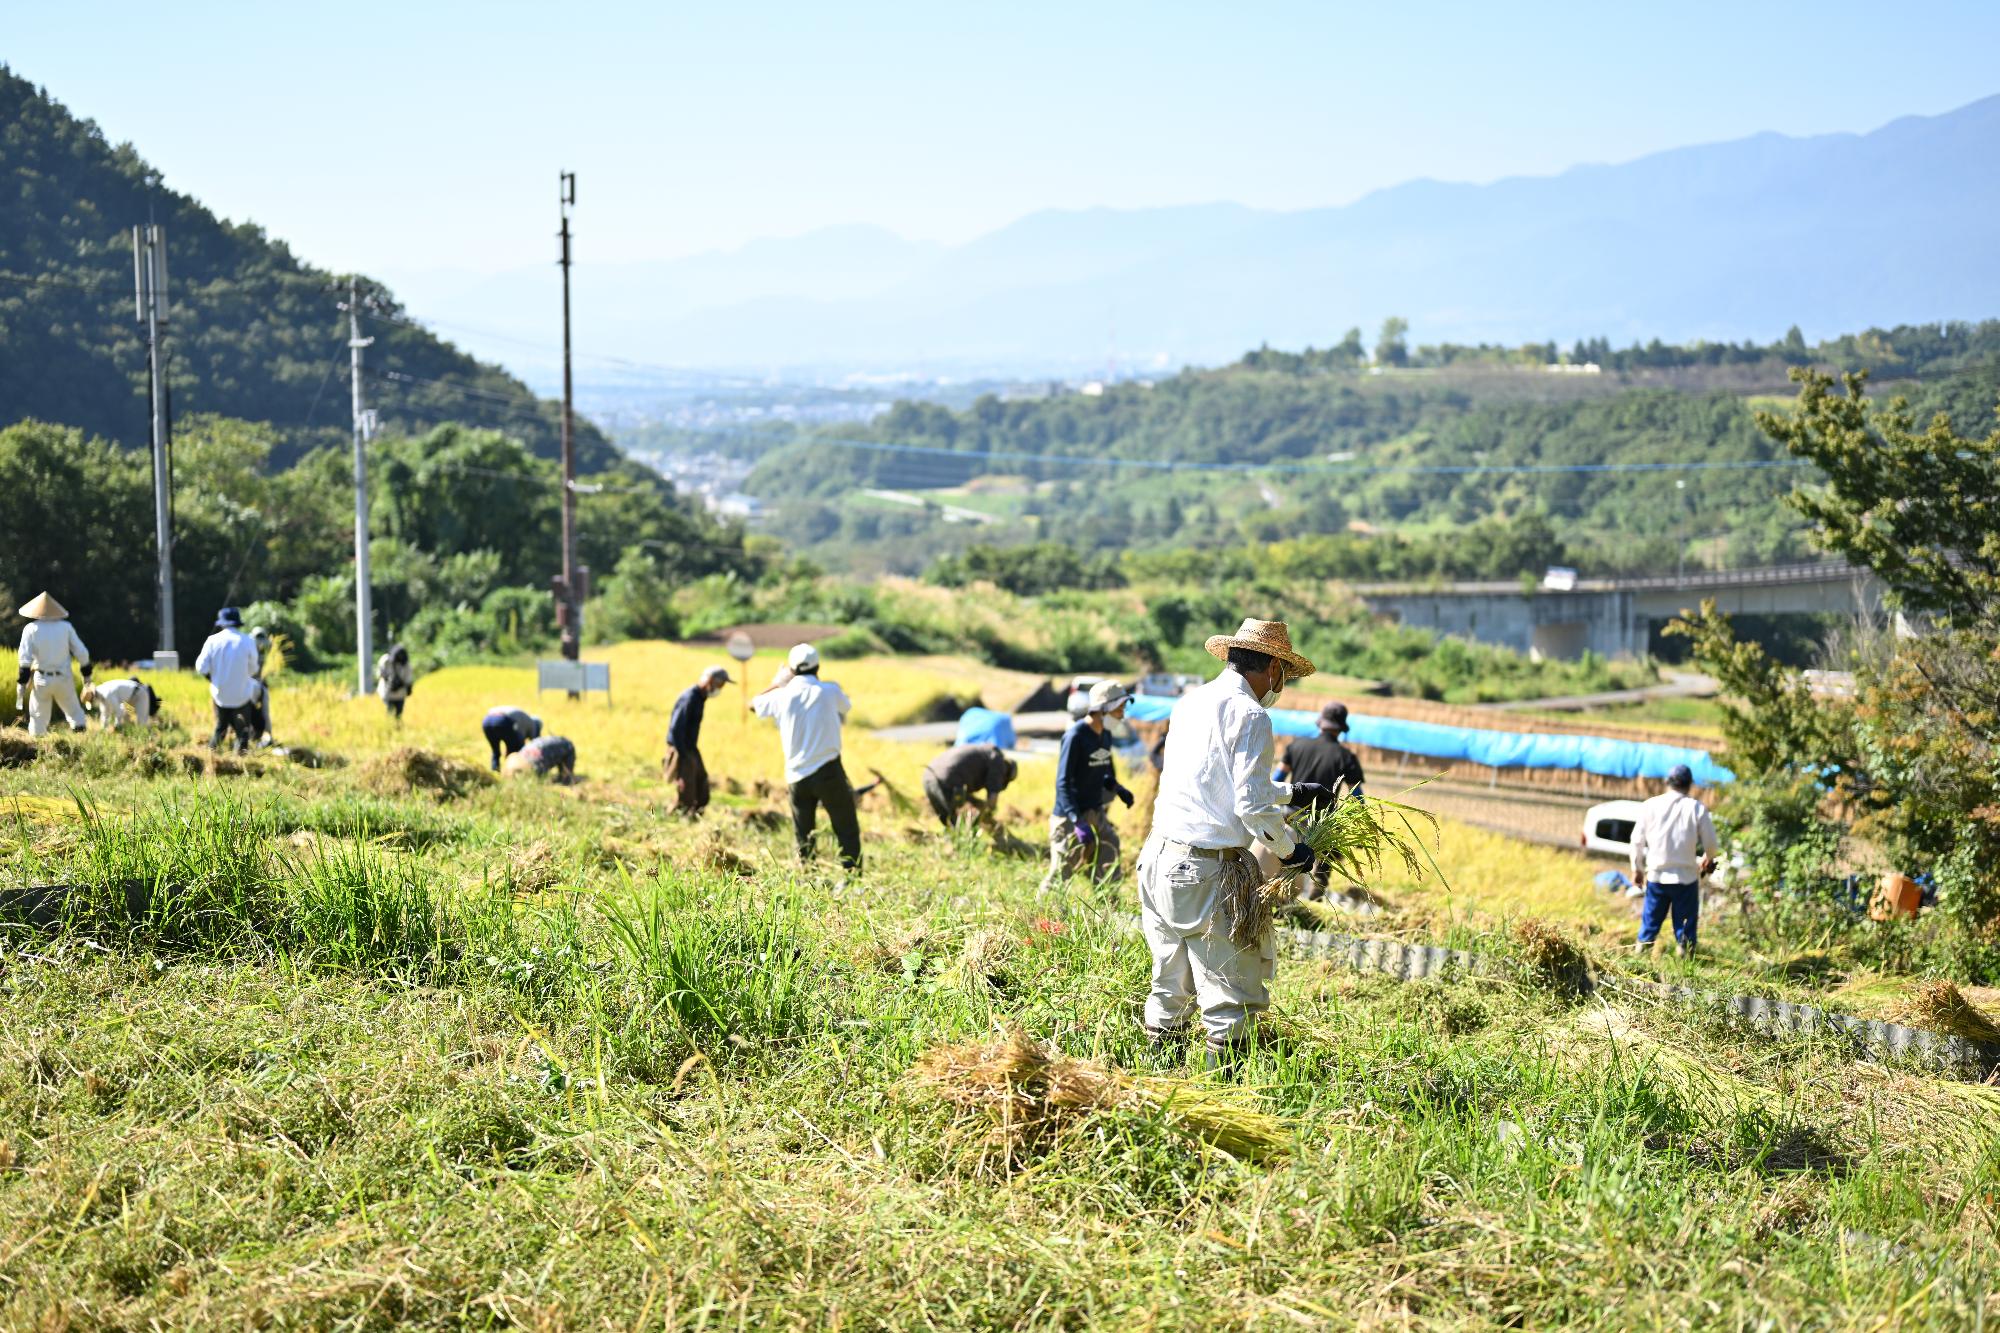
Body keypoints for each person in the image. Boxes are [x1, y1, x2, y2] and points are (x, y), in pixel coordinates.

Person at [1139, 618, 1333, 1072]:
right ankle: (1221, 1107)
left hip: (1160, 861)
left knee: (1171, 988)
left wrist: (1294, 792)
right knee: (1231, 1000)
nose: (1281, 683)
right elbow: (1250, 806)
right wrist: (1291, 851)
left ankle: (1155, 1089)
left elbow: (1212, 782)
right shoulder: (1251, 715)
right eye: (1283, 673)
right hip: (1206, 872)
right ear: (1269, 667)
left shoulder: (1190, 703)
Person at [753, 643, 860, 872]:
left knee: (804, 832)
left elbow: (753, 705)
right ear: (818, 666)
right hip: (829, 772)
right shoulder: (830, 691)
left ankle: (807, 876)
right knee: (845, 826)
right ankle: (851, 876)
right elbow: (846, 706)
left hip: (796, 777)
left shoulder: (781, 696)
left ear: (791, 670)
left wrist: (777, 683)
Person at [1042, 680, 1137, 891]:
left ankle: (1108, 907)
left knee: (1109, 848)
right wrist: (1076, 821)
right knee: (1063, 869)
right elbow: (1063, 783)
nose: (1122, 715)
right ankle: (1044, 913)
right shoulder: (1075, 736)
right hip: (1069, 816)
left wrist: (1119, 789)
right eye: (1119, 709)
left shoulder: (1105, 736)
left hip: (1095, 811)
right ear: (1102, 709)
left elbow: (1104, 772)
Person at [1275, 702, 1367, 896]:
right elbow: (1356, 796)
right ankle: (1314, 900)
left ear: (1320, 723)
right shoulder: (1346, 757)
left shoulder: (1296, 746)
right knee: (1324, 864)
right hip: (1323, 824)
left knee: (1284, 859)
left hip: (1291, 817)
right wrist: (1363, 826)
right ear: (1341, 728)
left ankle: (1279, 895)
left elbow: (1277, 779)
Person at [1631, 763, 1719, 957]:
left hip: (1657, 877)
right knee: (1685, 931)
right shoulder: (1697, 809)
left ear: (1668, 783)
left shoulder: (1650, 805)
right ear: (1689, 785)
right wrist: (1708, 858)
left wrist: (1636, 869)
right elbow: (1712, 845)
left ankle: (1639, 958)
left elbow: (1637, 841)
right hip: (1686, 879)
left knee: (1649, 925)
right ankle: (1685, 964)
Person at [13, 592, 90, 736]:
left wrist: (22, 683)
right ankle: (81, 745)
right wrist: (87, 676)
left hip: (41, 679)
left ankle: (39, 751)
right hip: (63, 678)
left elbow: (24, 659)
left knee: (38, 718)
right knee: (74, 712)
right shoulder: (66, 627)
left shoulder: (31, 629)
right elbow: (82, 652)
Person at [664, 665, 732, 815]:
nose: (720, 688)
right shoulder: (690, 698)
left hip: (690, 747)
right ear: (710, 681)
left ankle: (695, 814)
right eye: (720, 684)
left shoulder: (700, 698)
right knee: (686, 790)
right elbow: (676, 728)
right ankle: (677, 817)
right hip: (681, 748)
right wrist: (682, 756)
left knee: (702, 784)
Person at [194, 607, 261, 753]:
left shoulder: (212, 641)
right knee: (242, 731)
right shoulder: (247, 641)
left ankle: (211, 756)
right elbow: (254, 669)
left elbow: (201, 668)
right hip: (242, 695)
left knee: (221, 728)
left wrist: (214, 678)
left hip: (220, 695)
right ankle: (241, 760)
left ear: (222, 623)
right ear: (238, 623)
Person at [922, 742, 1018, 828]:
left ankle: (951, 844)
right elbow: (992, 801)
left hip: (928, 777)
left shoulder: (983, 751)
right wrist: (989, 819)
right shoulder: (998, 761)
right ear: (1006, 775)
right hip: (949, 779)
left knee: (950, 823)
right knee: (964, 824)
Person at [83, 677, 158, 730]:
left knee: (142, 725)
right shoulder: (101, 694)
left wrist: (116, 726)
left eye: (91, 702)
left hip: (139, 694)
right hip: (129, 699)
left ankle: (151, 738)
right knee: (126, 719)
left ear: (94, 698)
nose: (93, 704)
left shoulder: (107, 694)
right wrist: (104, 729)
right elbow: (105, 713)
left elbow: (119, 711)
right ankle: (129, 734)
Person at [482, 706, 542, 771]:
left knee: (496, 751)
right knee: (516, 749)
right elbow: (535, 743)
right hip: (503, 720)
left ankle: (495, 769)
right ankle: (512, 771)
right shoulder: (533, 724)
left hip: (487, 721)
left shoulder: (524, 719)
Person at [247, 625, 276, 747]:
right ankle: (255, 735)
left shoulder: (253, 649)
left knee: (262, 710)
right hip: (250, 685)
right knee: (256, 711)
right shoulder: (255, 651)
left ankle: (266, 734)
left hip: (255, 684)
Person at [504, 734, 576, 783]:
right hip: (536, 761)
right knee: (566, 779)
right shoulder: (568, 745)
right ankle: (564, 779)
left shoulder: (547, 740)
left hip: (525, 757)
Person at [376, 643, 414, 722]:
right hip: (390, 693)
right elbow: (409, 682)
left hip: (395, 694)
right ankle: (394, 727)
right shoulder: (386, 661)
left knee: (394, 715)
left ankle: (394, 728)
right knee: (394, 715)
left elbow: (380, 674)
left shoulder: (404, 664)